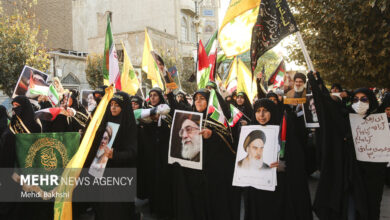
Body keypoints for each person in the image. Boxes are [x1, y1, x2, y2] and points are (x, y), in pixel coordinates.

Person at [82, 91, 138, 220]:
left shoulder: (129, 126)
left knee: (116, 212)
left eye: (117, 105)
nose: (113, 107)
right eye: (111, 104)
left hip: (120, 176)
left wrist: (115, 155)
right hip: (101, 173)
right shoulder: (104, 123)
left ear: (124, 108)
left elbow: (133, 153)